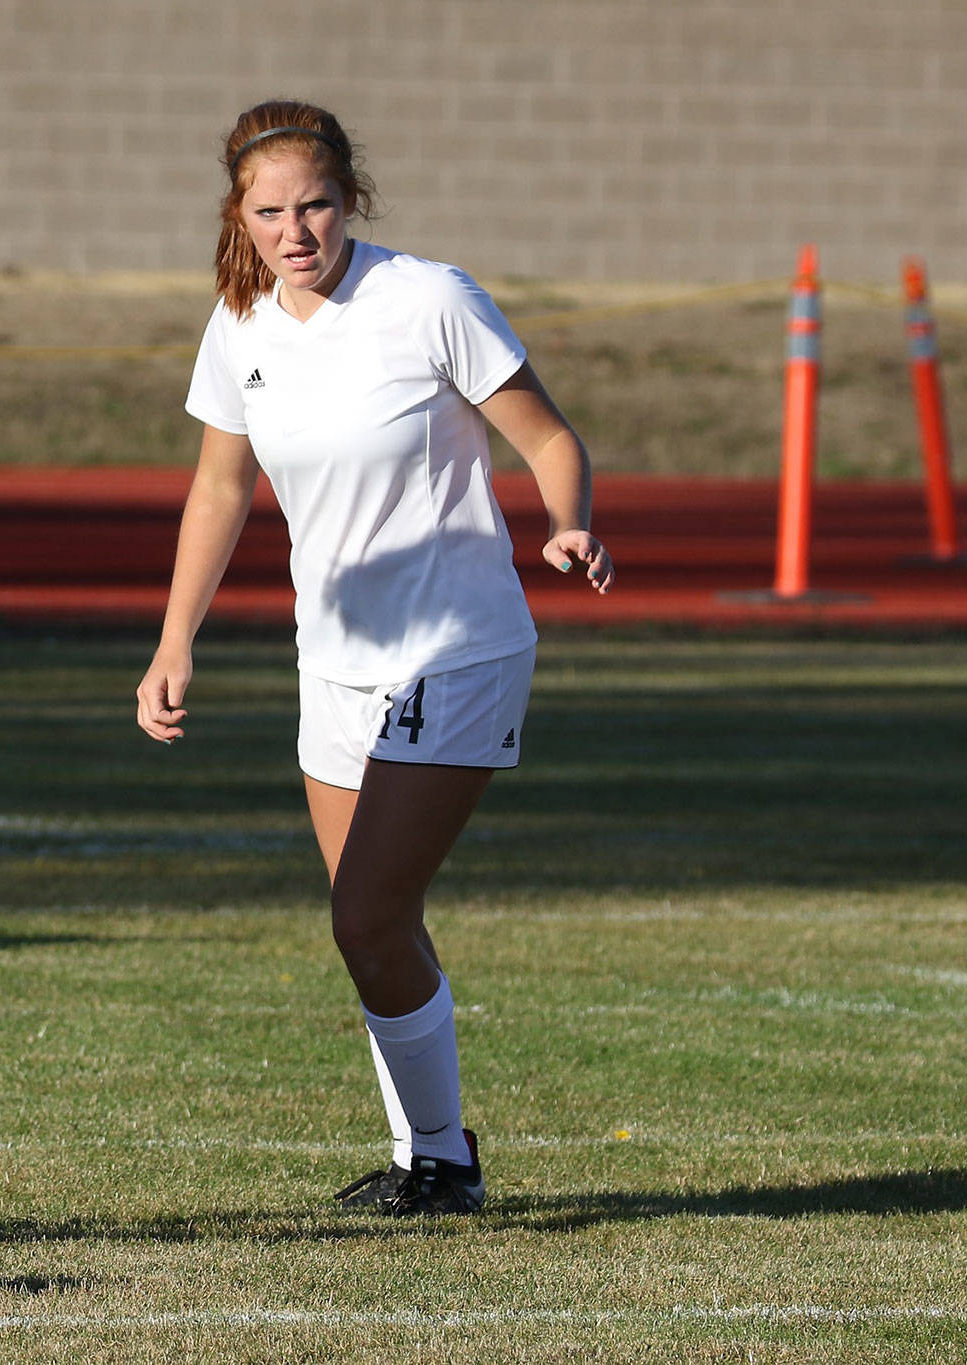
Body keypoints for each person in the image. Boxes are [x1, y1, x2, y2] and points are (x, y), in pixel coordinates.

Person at [134, 100, 612, 1216]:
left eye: (314, 205)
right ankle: (430, 1161)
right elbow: (219, 487)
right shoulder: (238, 324)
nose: (294, 230)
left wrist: (567, 522)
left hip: (456, 648)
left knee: (363, 914)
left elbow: (548, 436)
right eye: (270, 213)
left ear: (350, 198)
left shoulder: (428, 299)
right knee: (376, 929)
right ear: (238, 217)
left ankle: (441, 1158)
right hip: (333, 663)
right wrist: (174, 639)